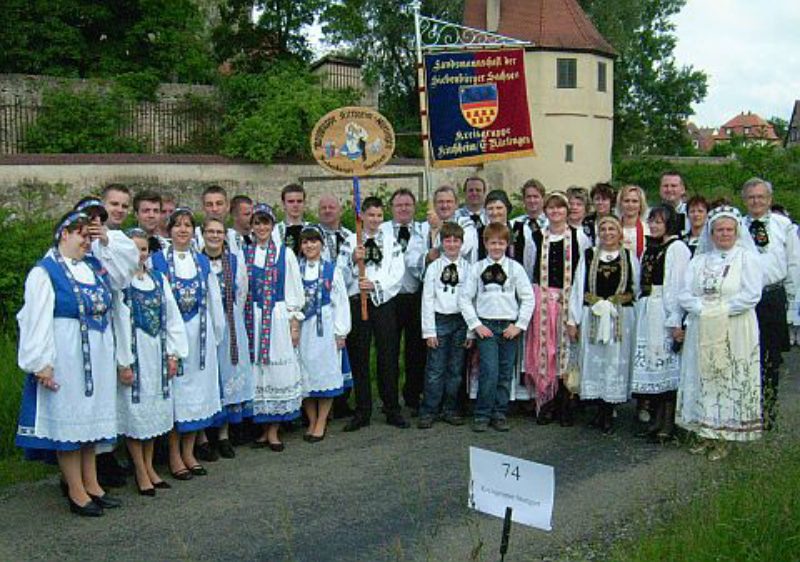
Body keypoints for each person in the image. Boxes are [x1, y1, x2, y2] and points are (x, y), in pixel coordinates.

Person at [16, 211, 123, 516]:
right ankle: (76, 490)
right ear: (64, 234)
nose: (87, 243)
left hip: (97, 357)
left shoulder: (94, 268)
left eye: (90, 237)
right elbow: (36, 320)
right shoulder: (45, 271)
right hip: (67, 357)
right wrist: (42, 362)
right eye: (82, 236)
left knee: (89, 423)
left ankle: (93, 484)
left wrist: (106, 238)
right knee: (70, 424)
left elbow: (123, 276)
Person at [676, 205, 763, 460]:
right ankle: (706, 432)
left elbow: (751, 295)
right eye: (719, 230)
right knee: (704, 376)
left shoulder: (747, 258)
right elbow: (685, 293)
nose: (724, 234)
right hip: (703, 326)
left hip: (734, 328)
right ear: (711, 233)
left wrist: (719, 309)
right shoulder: (700, 260)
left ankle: (725, 435)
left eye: (729, 230)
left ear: (737, 232)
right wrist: (704, 309)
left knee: (728, 376)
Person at [151, 208, 225, 478]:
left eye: (187, 225)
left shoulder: (202, 262)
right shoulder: (157, 261)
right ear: (169, 230)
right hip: (172, 339)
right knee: (176, 396)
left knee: (196, 396)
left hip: (200, 338)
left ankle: (189, 451)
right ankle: (174, 455)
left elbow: (214, 300)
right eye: (177, 225)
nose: (182, 230)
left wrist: (217, 335)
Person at [114, 228, 188, 495]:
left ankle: (149, 466)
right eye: (134, 249)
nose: (139, 254)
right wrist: (123, 361)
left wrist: (173, 353)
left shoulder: (159, 279)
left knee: (154, 412)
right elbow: (119, 323)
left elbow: (172, 317)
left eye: (143, 249)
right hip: (135, 354)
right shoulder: (120, 282)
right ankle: (140, 470)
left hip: (156, 353)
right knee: (137, 414)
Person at [461, 223, 535, 432]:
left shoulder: (515, 268)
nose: (496, 247)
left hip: (509, 327)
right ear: (485, 244)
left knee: (504, 372)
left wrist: (519, 325)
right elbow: (465, 299)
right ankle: (482, 413)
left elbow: (528, 298)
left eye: (501, 243)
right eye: (492, 242)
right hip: (487, 327)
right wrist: (476, 325)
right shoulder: (477, 269)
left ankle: (499, 413)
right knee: (489, 371)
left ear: (507, 244)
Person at [524, 192, 590, 423]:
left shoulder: (579, 236)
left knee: (566, 352)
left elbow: (582, 273)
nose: (556, 212)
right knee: (545, 351)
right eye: (551, 208)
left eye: (560, 208)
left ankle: (566, 401)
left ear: (566, 211)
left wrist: (574, 303)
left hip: (567, 300)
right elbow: (529, 268)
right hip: (542, 301)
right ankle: (546, 401)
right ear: (545, 211)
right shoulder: (536, 237)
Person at [568, 216, 638, 434]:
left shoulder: (629, 256)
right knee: (594, 360)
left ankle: (610, 409)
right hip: (593, 315)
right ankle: (598, 408)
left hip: (619, 317)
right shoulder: (589, 256)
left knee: (614, 361)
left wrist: (618, 303)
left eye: (612, 229)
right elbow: (578, 287)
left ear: (619, 233)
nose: (607, 233)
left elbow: (635, 288)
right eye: (603, 229)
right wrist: (573, 319)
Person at [244, 204, 305, 451]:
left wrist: (293, 321)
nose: (261, 227)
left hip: (277, 317)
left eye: (266, 223)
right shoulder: (245, 253)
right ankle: (263, 429)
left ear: (272, 225)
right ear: (252, 226)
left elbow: (294, 289)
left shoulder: (284, 253)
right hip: (253, 318)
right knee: (258, 372)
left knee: (277, 371)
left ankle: (274, 431)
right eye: (257, 223)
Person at [343, 196, 407, 431]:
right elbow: (339, 274)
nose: (375, 220)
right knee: (359, 357)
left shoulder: (391, 242)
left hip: (383, 303)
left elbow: (397, 272)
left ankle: (391, 408)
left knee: (388, 356)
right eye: (371, 215)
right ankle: (362, 410)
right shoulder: (351, 241)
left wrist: (375, 285)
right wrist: (353, 260)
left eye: (379, 216)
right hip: (357, 302)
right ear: (362, 216)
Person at [741, 177, 800, 429]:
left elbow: (794, 263)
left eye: (761, 197)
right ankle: (745, 411)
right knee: (745, 356)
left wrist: (794, 305)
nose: (756, 201)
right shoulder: (737, 226)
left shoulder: (783, 226)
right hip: (745, 299)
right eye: (751, 197)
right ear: (744, 200)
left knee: (770, 358)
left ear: (770, 199)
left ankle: (768, 412)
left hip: (773, 298)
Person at [630, 205, 691, 441]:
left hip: (664, 311)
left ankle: (668, 424)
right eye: (651, 221)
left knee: (667, 368)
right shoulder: (651, 248)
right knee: (653, 368)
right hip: (648, 309)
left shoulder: (676, 249)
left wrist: (675, 319)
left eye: (659, 222)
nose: (654, 225)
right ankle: (656, 421)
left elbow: (677, 286)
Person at [202, 217, 253, 458]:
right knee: (206, 377)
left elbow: (241, 294)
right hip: (204, 325)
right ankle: (202, 437)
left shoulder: (234, 260)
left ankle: (223, 435)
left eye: (219, 232)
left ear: (225, 235)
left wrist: (229, 321)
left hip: (230, 322)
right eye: (210, 231)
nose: (214, 236)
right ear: (202, 234)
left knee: (228, 375)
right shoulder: (196, 260)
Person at [297, 226, 351, 441]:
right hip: (302, 330)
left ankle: (321, 420)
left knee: (324, 373)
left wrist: (341, 332)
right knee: (305, 375)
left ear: (321, 244)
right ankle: (311, 419)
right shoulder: (296, 269)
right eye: (305, 242)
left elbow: (341, 302)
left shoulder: (331, 270)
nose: (310, 245)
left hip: (325, 329)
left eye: (314, 241)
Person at [418, 222, 471, 429]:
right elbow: (427, 299)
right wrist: (429, 331)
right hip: (439, 320)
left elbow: (470, 300)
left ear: (461, 243)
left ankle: (450, 408)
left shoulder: (468, 269)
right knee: (435, 369)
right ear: (441, 242)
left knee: (455, 369)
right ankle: (429, 409)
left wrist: (470, 331)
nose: (451, 244)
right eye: (447, 240)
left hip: (460, 321)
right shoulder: (434, 268)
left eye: (455, 240)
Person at [381, 188, 426, 415]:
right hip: (389, 299)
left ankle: (412, 394)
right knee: (388, 350)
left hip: (415, 296)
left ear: (414, 207)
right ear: (392, 208)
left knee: (415, 350)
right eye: (399, 205)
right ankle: (389, 399)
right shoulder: (382, 231)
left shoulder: (424, 231)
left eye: (408, 205)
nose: (404, 209)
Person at [316, 193, 356, 418]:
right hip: (320, 302)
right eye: (324, 207)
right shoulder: (311, 235)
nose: (328, 211)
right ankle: (321, 402)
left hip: (347, 298)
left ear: (340, 210)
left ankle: (343, 399)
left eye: (332, 207)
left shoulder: (350, 236)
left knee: (346, 350)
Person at [511, 179, 548, 277]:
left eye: (536, 197)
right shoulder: (514, 224)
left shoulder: (550, 224)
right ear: (523, 199)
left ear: (543, 199)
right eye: (528, 197)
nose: (532, 200)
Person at [616, 185, 649, 261]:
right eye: (626, 201)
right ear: (620, 203)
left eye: (635, 201)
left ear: (641, 204)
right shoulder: (611, 229)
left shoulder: (648, 230)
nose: (630, 205)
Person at [273, 183, 307, 256]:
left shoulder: (313, 229)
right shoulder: (274, 232)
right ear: (283, 204)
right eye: (291, 201)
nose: (295, 205)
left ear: (304, 203)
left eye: (299, 201)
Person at [194, 185, 229, 250]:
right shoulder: (193, 236)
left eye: (219, 204)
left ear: (227, 206)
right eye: (209, 205)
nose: (214, 209)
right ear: (203, 207)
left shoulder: (236, 237)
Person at [659, 171, 690, 236]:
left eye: (673, 186)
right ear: (660, 189)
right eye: (665, 186)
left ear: (682, 189)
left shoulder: (691, 213)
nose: (669, 189)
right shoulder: (650, 214)